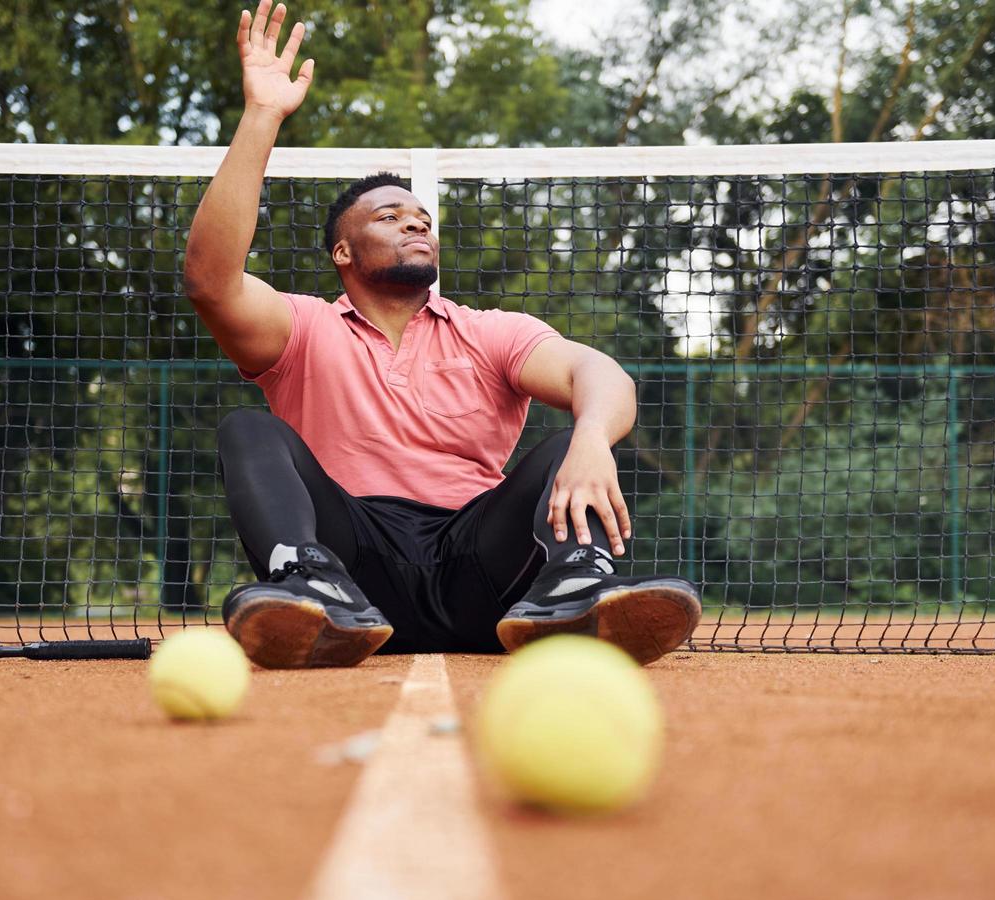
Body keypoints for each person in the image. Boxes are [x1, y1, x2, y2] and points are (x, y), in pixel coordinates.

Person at [183, 0, 701, 669]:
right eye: (390, 216)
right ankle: (305, 583)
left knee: (575, 434)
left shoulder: (490, 333)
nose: (415, 224)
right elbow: (210, 280)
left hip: (478, 570)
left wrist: (595, 439)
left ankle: (575, 592)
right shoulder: (303, 327)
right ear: (343, 255)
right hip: (355, 572)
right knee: (246, 429)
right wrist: (263, 116)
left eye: (423, 219)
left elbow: (599, 375)